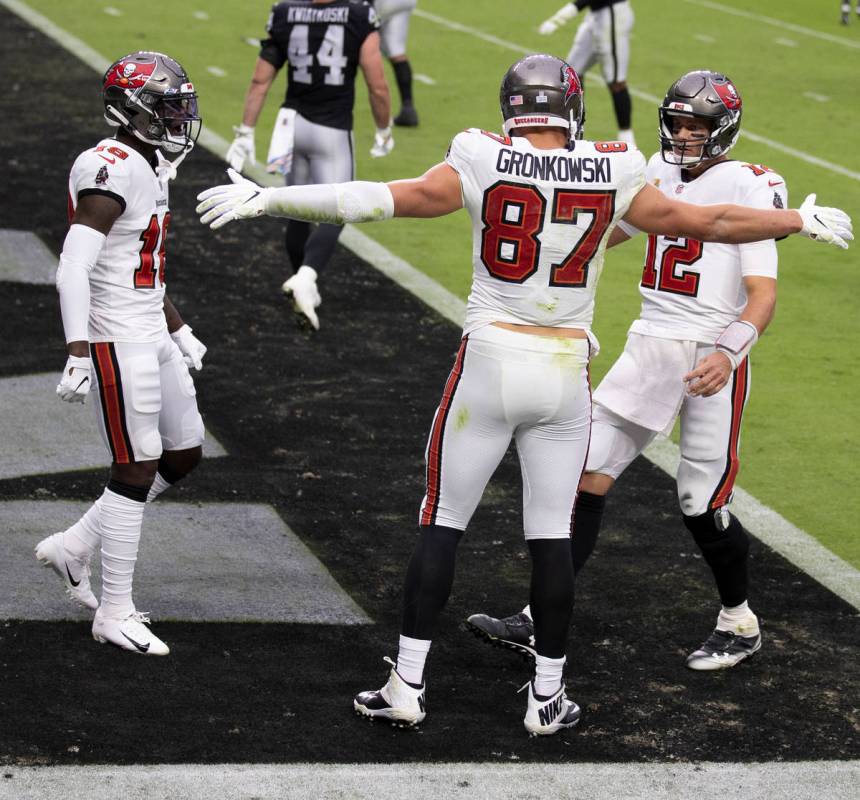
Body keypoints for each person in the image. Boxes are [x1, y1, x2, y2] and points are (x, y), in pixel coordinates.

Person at [196, 56, 850, 733]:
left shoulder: (482, 153)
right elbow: (705, 222)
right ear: (574, 108)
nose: (683, 134)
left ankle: (407, 687)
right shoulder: (617, 167)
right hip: (568, 370)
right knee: (552, 534)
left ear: (512, 108)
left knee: (445, 519)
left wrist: (272, 198)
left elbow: (387, 198)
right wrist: (795, 223)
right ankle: (546, 698)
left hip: (495, 357)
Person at [465, 70, 815, 672]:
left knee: (698, 498)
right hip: (650, 342)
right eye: (678, 122)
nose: (683, 134)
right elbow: (607, 229)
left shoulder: (755, 184)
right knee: (586, 474)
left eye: (697, 125)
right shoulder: (653, 167)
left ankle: (739, 620)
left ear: (722, 128)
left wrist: (728, 352)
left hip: (712, 349)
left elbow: (762, 294)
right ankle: (536, 616)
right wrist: (547, 238)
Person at [34, 51, 208, 657]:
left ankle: (74, 547)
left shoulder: (148, 162)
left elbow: (138, 267)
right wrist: (78, 351)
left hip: (148, 327)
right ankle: (114, 610)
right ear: (130, 111)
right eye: (168, 105)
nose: (181, 114)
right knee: (136, 466)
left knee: (183, 455)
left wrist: (177, 327)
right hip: (115, 336)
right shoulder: (111, 169)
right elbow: (75, 267)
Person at [225, 0, 393, 330]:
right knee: (341, 208)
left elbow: (261, 80)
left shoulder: (285, 11)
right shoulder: (358, 13)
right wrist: (384, 128)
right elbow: (377, 83)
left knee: (296, 207)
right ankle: (306, 276)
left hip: (291, 125)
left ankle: (303, 283)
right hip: (331, 129)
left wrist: (246, 130)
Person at [539, 1, 636, 145]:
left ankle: (627, 139)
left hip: (611, 14)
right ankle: (573, 127)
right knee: (572, 73)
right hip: (595, 16)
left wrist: (560, 17)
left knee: (616, 81)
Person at [373, 0, 419, 126]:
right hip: (405, 2)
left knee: (357, 43)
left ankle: (336, 102)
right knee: (396, 51)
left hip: (381, 4)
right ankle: (408, 109)